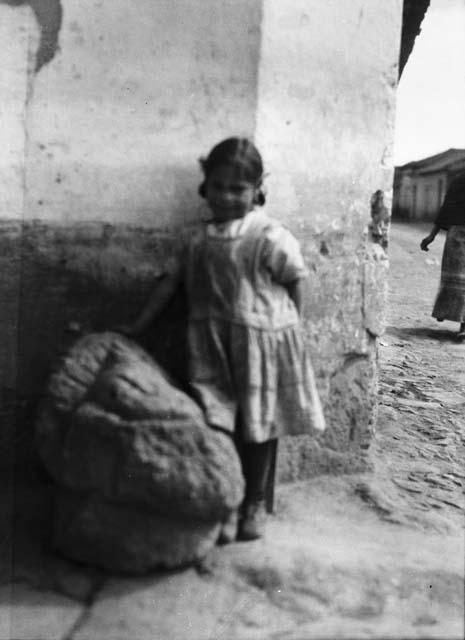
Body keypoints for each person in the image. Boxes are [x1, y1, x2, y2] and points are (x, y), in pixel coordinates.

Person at [120, 137, 326, 541]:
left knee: (259, 424)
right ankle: (227, 501)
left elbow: (297, 280)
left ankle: (253, 502)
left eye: (239, 189)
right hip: (211, 345)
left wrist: (292, 332)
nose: (227, 197)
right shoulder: (197, 240)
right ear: (206, 185)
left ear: (257, 189)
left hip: (261, 346)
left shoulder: (268, 235)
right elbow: (170, 285)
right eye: (219, 186)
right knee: (220, 420)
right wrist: (139, 326)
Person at [420, 171, 465, 339]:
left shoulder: (458, 180)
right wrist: (431, 236)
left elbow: (445, 209)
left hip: (456, 235)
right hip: (457, 236)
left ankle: (448, 312)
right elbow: (446, 209)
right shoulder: (459, 181)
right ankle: (451, 314)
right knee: (457, 279)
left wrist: (432, 236)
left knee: (456, 279)